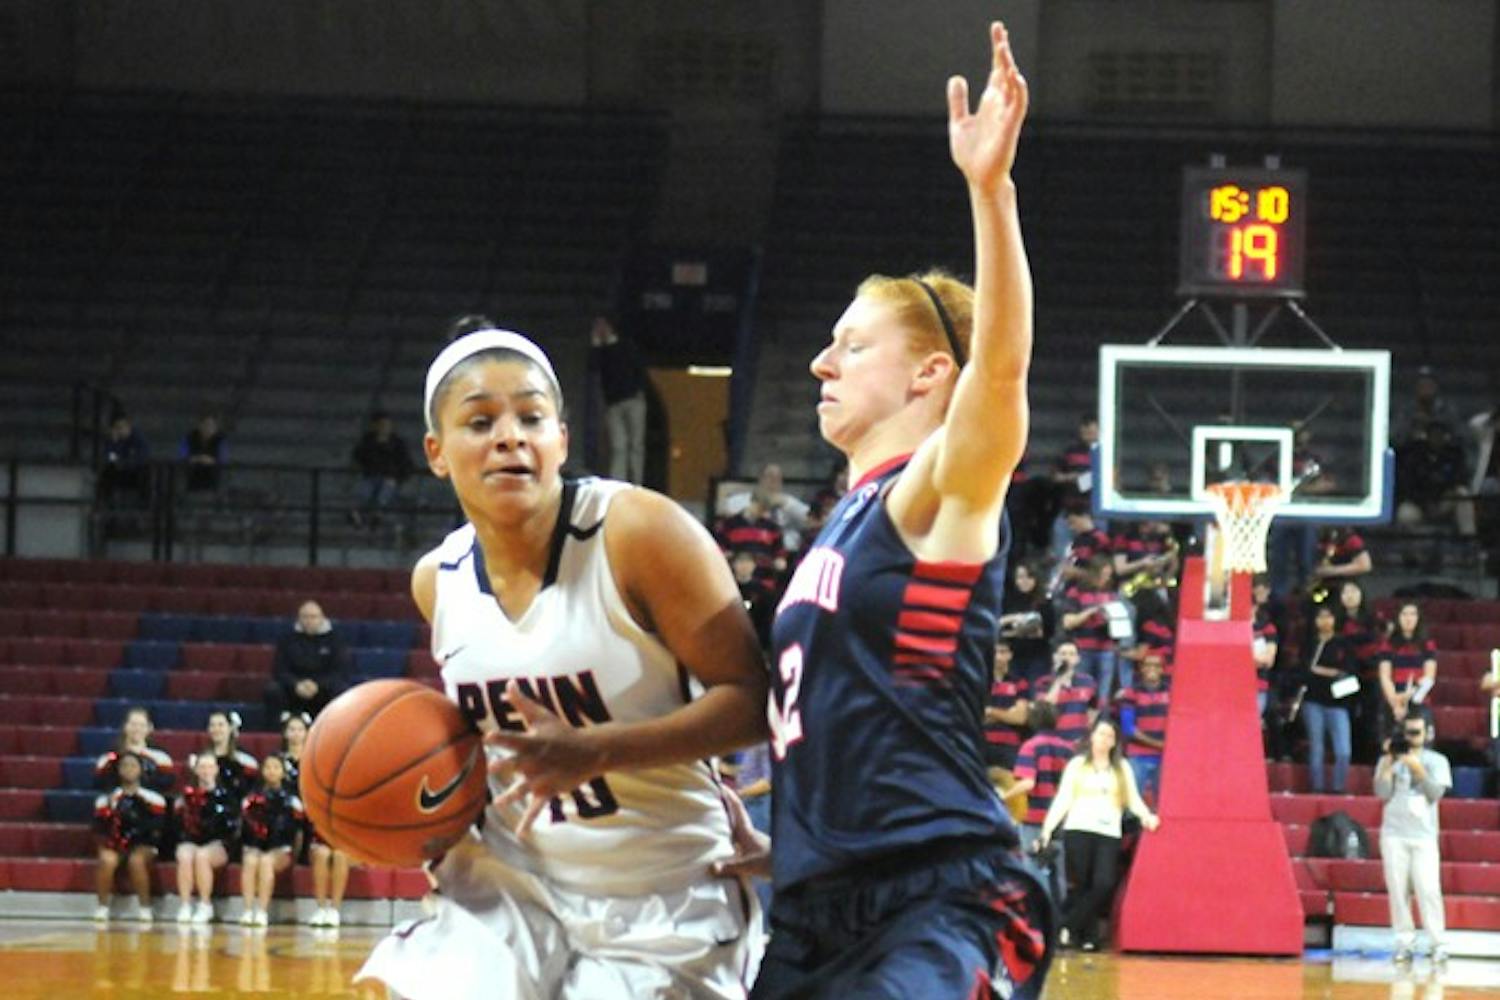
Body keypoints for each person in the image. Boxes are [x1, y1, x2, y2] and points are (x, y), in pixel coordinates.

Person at [728, 25, 1052, 999]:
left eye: (849, 344)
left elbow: (1000, 368)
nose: (821, 364)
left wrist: (989, 192)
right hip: (815, 906)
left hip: (940, 898)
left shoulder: (936, 493)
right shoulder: (839, 522)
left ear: (927, 371)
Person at [354, 318, 769, 998]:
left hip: (663, 893)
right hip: (517, 887)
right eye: (480, 421)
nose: (509, 435)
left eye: (531, 417)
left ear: (561, 440)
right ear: (436, 451)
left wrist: (601, 749)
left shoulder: (640, 532)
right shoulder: (438, 579)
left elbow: (754, 702)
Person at [1038, 717, 1160, 952]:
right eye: (1101, 734)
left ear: (1115, 742)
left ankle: (1065, 927)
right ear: (1092, 736)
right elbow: (1063, 799)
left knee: (1103, 883)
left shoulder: (1122, 767)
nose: (1104, 740)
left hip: (1108, 832)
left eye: (1110, 736)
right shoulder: (1076, 764)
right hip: (1078, 828)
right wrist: (1047, 828)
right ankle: (1088, 937)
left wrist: (1146, 816)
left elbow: (1133, 798)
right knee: (1083, 885)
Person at [1374, 709, 1451, 965]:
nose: (1412, 738)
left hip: (1424, 836)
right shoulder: (1389, 760)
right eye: (1408, 733)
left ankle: (1437, 942)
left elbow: (1435, 793)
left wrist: (1417, 769)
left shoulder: (1437, 761)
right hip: (1394, 833)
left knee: (1428, 890)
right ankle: (1403, 942)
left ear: (1427, 733)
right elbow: (1382, 793)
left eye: (1416, 733)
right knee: (1397, 891)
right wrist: (1387, 766)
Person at [281, 712, 351, 928]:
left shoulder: (325, 762)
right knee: (320, 853)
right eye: (291, 729)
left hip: (339, 830)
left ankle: (335, 910)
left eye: (300, 729)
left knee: (340, 854)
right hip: (310, 825)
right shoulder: (281, 761)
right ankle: (321, 907)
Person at [93, 751, 167, 923]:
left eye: (133, 765)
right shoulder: (107, 799)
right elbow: (99, 828)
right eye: (124, 765)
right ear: (118, 770)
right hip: (116, 842)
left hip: (143, 843)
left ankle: (145, 907)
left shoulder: (153, 799)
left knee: (136, 860)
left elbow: (156, 829)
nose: (129, 769)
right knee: (107, 860)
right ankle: (102, 907)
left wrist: (138, 840)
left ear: (141, 770)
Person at [239, 754, 305, 928]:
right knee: (251, 860)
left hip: (281, 850)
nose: (271, 771)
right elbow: (246, 827)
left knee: (266, 861)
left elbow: (298, 832)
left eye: (276, 767)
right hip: (257, 847)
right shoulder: (252, 798)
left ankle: (262, 911)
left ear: (283, 772)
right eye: (267, 767)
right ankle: (247, 910)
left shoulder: (292, 800)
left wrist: (295, 856)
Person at [175, 753, 240, 924]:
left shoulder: (226, 795)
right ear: (195, 770)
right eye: (202, 767)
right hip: (193, 840)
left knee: (202, 856)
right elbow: (180, 824)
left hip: (218, 843)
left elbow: (230, 828)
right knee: (185, 855)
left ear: (216, 770)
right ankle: (185, 905)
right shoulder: (187, 795)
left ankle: (205, 905)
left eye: (210, 767)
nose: (206, 771)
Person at [1299, 605, 1357, 794]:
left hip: (1338, 703)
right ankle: (1317, 787)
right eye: (1320, 617)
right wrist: (1329, 673)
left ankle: (1338, 787)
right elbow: (1304, 670)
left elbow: (1348, 670)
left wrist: (1323, 671)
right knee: (1317, 748)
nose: (1324, 621)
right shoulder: (1309, 643)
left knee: (1343, 751)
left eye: (1328, 616)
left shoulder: (1343, 644)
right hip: (1313, 701)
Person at [266, 601, 351, 723]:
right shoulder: (287, 639)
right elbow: (280, 670)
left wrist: (318, 685)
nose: (309, 620)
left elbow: (340, 672)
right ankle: (277, 729)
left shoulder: (335, 640)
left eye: (313, 617)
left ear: (322, 618)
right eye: (305, 617)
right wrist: (296, 684)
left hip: (323, 689)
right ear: (299, 618)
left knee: (341, 690)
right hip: (294, 689)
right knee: (272, 690)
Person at [588, 315, 649, 484]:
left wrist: (639, 390)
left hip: (633, 400)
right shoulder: (601, 352)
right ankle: (618, 482)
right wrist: (595, 345)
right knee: (619, 446)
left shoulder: (626, 346)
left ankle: (637, 481)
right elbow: (592, 369)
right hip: (613, 404)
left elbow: (639, 368)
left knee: (636, 445)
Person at [982, 637, 1031, 822]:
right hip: (982, 744)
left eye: (1003, 652)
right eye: (996, 652)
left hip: (1009, 748)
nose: (999, 657)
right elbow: (976, 716)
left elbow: (1021, 717)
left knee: (1013, 796)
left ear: (1010, 655)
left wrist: (991, 711)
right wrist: (1007, 713)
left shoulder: (1019, 683)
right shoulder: (981, 681)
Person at [1113, 651, 1170, 805]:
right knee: (1132, 803)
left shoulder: (1171, 692)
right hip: (1138, 756)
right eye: (1147, 665)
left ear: (1162, 669)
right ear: (1141, 669)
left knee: (1163, 804)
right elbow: (1128, 729)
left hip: (1166, 758)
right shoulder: (1130, 693)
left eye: (1156, 665)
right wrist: (1159, 744)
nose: (1152, 669)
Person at [719, 463, 811, 553]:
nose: (774, 481)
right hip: (744, 551)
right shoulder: (740, 500)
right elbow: (724, 518)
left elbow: (812, 518)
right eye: (770, 476)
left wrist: (786, 504)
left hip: (782, 553)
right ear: (760, 479)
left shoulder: (787, 501)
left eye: (778, 478)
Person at [1377, 603, 1439, 736]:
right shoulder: (1388, 643)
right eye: (1404, 614)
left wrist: (1407, 698)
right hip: (1393, 701)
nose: (1408, 618)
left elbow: (1429, 677)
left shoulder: (1427, 644)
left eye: (1412, 614)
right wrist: (1395, 703)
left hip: (1418, 699)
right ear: (1398, 618)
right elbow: (1385, 676)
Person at [350, 411, 414, 527]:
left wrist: (397, 478)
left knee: (386, 490)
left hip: (390, 478)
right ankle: (356, 514)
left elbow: (406, 463)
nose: (384, 428)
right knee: (364, 490)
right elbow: (359, 457)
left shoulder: (397, 443)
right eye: (381, 425)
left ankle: (377, 514)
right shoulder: (368, 441)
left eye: (386, 425)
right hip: (370, 476)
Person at [94, 705, 176, 795]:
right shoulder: (112, 753)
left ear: (150, 728)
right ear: (125, 726)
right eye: (133, 724)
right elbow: (100, 781)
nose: (137, 729)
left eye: (142, 725)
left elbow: (167, 782)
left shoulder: (160, 755)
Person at [203, 710, 260, 802]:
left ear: (230, 728)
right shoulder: (202, 759)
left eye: (220, 725)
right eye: (212, 725)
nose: (216, 729)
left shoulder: (245, 761)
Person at [98, 413, 151, 508]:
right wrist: (114, 443)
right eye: (117, 428)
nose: (120, 430)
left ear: (129, 426)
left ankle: (145, 506)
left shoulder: (139, 438)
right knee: (106, 472)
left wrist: (126, 462)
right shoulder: (113, 440)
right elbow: (109, 456)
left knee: (145, 472)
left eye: (122, 427)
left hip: (134, 471)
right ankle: (103, 504)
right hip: (119, 470)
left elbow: (142, 457)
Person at [180, 413, 227, 495]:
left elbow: (223, 460)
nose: (208, 428)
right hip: (192, 476)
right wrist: (194, 459)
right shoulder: (189, 438)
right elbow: (182, 456)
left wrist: (211, 461)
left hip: (213, 478)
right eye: (206, 425)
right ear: (199, 425)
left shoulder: (221, 439)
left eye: (212, 425)